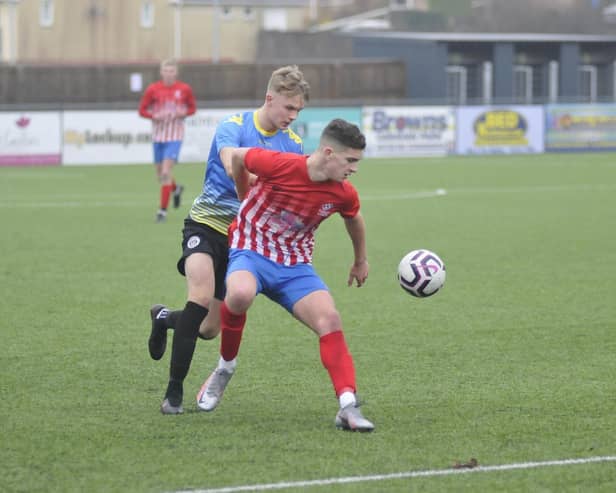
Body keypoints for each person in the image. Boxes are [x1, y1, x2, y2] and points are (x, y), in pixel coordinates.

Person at [148, 65, 310, 414]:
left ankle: (163, 318)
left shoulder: (293, 145)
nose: (293, 116)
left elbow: (292, 195)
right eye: (289, 108)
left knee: (208, 329)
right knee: (200, 297)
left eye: (298, 110)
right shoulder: (233, 127)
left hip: (243, 243)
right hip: (205, 225)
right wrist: (259, 181)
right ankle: (173, 394)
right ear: (270, 98)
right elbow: (230, 161)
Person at [196, 119, 375, 432]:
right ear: (329, 153)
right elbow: (237, 157)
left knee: (330, 320)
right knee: (239, 295)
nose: (354, 169)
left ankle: (348, 406)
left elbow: (354, 219)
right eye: (351, 161)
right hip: (251, 250)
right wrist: (243, 191)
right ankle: (224, 368)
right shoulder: (279, 164)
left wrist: (360, 260)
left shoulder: (343, 193)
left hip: (294, 266)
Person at [138, 58, 196, 222]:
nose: (169, 73)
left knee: (165, 172)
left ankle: (162, 212)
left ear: (176, 72)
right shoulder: (153, 89)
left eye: (172, 70)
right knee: (161, 175)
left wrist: (183, 113)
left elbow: (192, 108)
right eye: (166, 70)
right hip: (158, 136)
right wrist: (153, 116)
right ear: (161, 72)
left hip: (175, 136)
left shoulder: (184, 89)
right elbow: (142, 110)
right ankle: (176, 188)